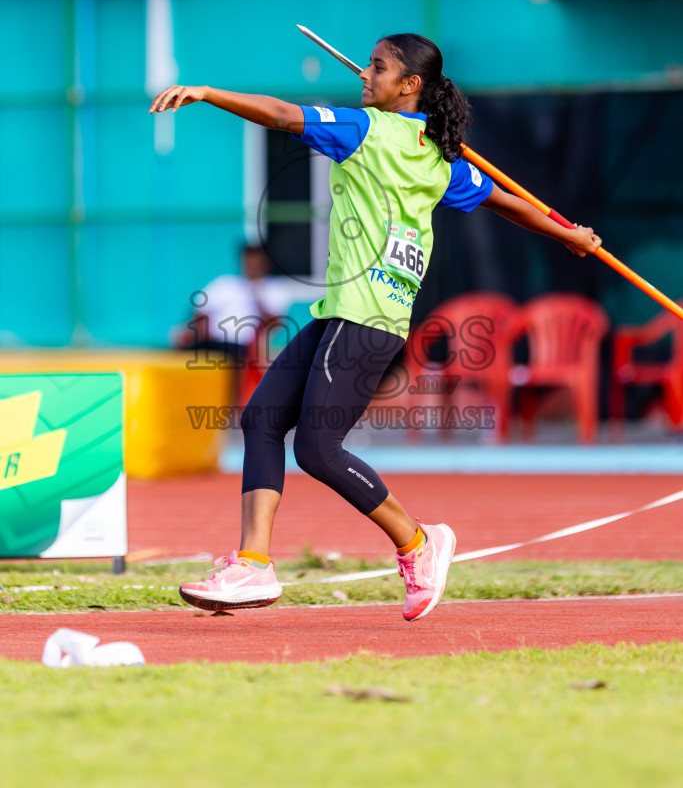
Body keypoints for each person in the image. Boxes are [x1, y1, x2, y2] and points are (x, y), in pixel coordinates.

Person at [149, 32, 601, 622]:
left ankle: (419, 542)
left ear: (410, 85)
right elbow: (502, 201)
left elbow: (283, 114)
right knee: (261, 421)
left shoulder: (365, 131)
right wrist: (566, 234)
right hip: (344, 313)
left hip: (365, 317)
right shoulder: (439, 159)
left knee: (316, 448)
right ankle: (252, 564)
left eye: (378, 68)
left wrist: (209, 92)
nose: (365, 74)